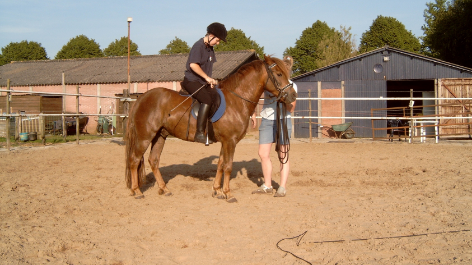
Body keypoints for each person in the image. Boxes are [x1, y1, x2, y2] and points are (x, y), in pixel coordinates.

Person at [251, 56, 297, 197]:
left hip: (283, 120)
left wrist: (284, 98)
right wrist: (252, 113)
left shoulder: (291, 86)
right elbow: (254, 97)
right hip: (267, 119)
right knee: (263, 153)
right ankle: (268, 185)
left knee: (283, 154)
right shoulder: (270, 83)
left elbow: (291, 109)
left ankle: (282, 187)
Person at [182, 22, 227, 144]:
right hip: (191, 81)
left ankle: (211, 131)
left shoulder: (210, 49)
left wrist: (210, 81)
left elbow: (207, 68)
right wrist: (207, 78)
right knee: (206, 100)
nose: (217, 43)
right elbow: (193, 65)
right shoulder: (198, 46)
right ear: (211, 35)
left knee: (216, 97)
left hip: (203, 82)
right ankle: (199, 133)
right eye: (217, 40)